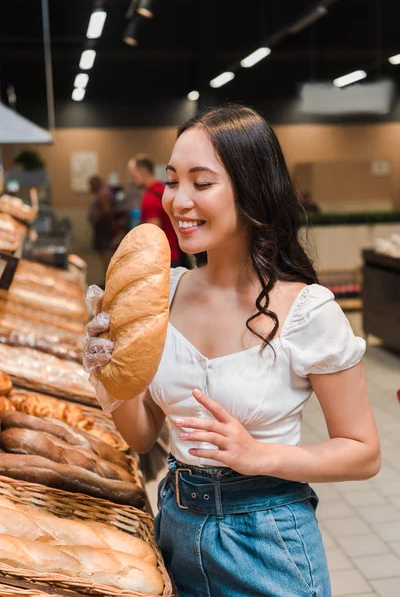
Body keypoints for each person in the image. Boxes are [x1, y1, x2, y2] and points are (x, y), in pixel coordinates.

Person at [85, 105, 380, 597]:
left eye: (202, 183)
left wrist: (257, 454)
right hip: (175, 528)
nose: (179, 200)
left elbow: (362, 452)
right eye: (173, 180)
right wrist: (106, 377)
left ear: (252, 191)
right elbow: (142, 438)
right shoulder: (166, 293)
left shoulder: (307, 311)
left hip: (267, 542)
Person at [127, 154, 182, 267]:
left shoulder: (150, 198)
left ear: (142, 171)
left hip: (163, 258)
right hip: (175, 253)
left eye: (133, 176)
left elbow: (153, 235)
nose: (133, 180)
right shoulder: (164, 189)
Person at [88, 175, 114, 277]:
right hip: (102, 227)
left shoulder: (102, 194)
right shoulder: (102, 192)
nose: (90, 187)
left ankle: (109, 277)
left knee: (105, 253)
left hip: (103, 227)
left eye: (91, 185)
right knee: (103, 253)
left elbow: (106, 210)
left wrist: (97, 220)